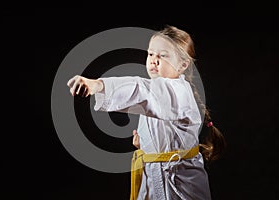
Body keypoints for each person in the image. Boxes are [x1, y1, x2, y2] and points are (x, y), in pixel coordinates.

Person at [67, 25, 226, 200]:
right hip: (153, 176)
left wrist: (98, 85)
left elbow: (142, 91)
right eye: (151, 54)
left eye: (163, 56)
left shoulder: (178, 91)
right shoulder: (159, 90)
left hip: (179, 183)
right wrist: (147, 145)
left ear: (182, 65)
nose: (153, 60)